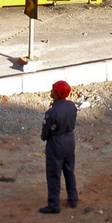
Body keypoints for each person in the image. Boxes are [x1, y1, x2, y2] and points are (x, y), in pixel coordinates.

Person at [38, 80, 78, 214]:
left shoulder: (52, 112)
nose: (51, 92)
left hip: (56, 144)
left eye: (53, 90)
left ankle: (54, 204)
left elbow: (45, 132)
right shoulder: (71, 106)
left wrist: (44, 136)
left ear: (57, 93)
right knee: (69, 171)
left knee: (54, 175)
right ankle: (73, 199)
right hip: (69, 141)